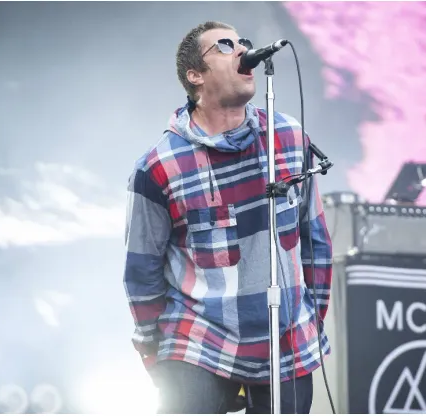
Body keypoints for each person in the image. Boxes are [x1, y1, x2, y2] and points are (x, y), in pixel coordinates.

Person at [123, 20, 333, 414]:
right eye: (223, 45)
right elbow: (141, 270)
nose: (241, 50)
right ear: (195, 75)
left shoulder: (288, 137)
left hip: (284, 339)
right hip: (198, 343)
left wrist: (311, 318)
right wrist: (153, 349)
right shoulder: (159, 166)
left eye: (242, 42)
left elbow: (315, 239)